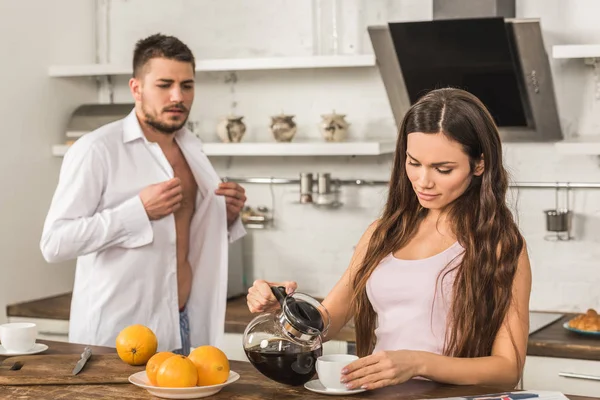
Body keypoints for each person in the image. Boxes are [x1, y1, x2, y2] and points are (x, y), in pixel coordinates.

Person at [246, 88, 531, 390]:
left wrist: (418, 363)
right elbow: (328, 320)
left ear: (479, 164)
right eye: (414, 163)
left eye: (442, 169)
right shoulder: (384, 233)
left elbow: (508, 368)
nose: (423, 181)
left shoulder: (500, 245)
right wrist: (283, 308)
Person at [40, 33, 247, 355]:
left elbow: (185, 234)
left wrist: (227, 215)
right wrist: (139, 211)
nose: (178, 96)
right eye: (164, 85)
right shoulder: (97, 149)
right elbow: (55, 242)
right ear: (136, 88)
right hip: (120, 334)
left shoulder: (193, 149)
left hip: (185, 325)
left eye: (187, 85)